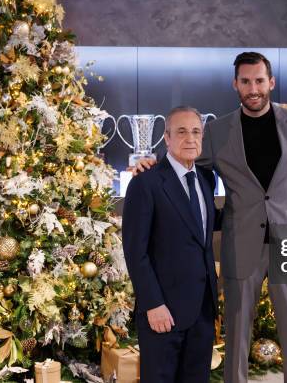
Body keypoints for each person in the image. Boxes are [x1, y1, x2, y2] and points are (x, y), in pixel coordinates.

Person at [134, 52, 287, 383]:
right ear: (235, 84)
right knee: (237, 336)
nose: (253, 88)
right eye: (245, 81)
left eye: (259, 81)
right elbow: (187, 162)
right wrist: (151, 165)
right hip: (241, 243)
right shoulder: (217, 131)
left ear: (271, 83)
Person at [122, 106, 218, 383]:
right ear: (166, 138)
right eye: (182, 131)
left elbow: (200, 233)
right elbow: (135, 251)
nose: (190, 138)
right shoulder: (146, 182)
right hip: (163, 312)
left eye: (196, 132)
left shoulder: (205, 179)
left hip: (201, 310)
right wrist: (153, 304)